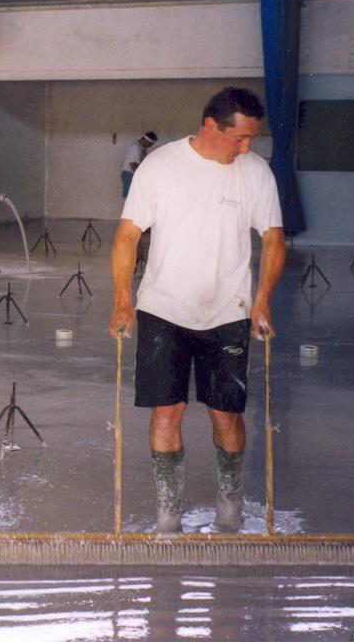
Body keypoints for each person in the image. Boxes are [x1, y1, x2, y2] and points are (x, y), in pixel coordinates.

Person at [108, 87, 285, 534]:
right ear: (211, 126)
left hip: (228, 311)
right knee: (166, 412)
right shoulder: (161, 166)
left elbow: (273, 238)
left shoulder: (256, 173)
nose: (246, 148)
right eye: (240, 139)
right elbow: (128, 235)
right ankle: (169, 514)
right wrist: (123, 301)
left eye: (252, 139)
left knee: (226, 414)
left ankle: (230, 506)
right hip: (163, 308)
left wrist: (262, 299)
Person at [121, 131, 157, 197]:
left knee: (135, 196)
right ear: (145, 140)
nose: (150, 146)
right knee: (129, 197)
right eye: (150, 144)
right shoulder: (135, 148)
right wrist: (140, 176)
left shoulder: (142, 148)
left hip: (133, 173)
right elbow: (132, 164)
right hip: (129, 174)